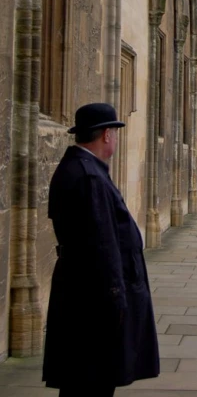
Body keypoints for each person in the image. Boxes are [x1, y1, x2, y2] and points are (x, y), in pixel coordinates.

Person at [42, 103, 160, 396]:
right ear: (107, 134)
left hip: (83, 292)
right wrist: (116, 298)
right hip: (93, 300)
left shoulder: (82, 169)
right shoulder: (89, 176)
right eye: (115, 133)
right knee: (92, 380)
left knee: (83, 378)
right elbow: (102, 244)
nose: (117, 140)